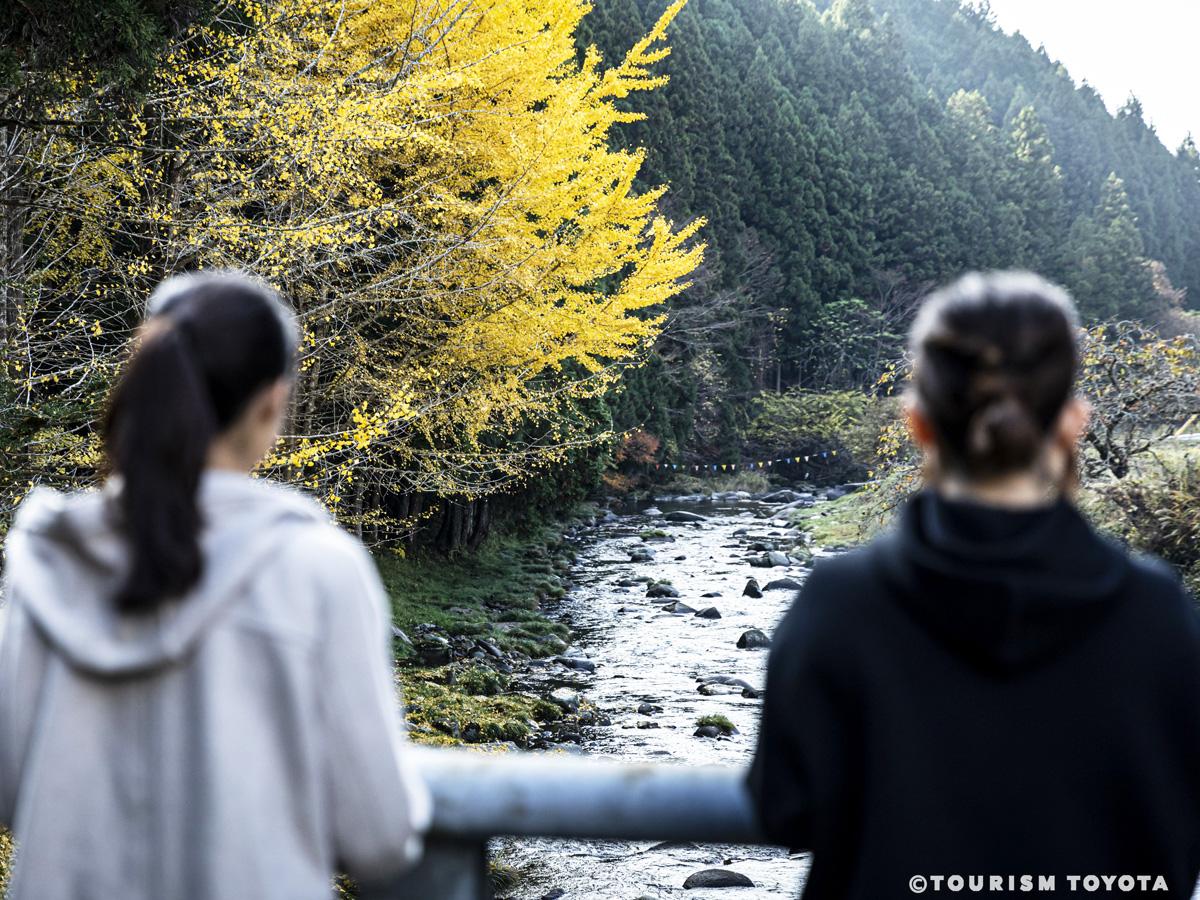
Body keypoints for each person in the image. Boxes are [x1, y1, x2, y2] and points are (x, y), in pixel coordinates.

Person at [747, 272, 1200, 899]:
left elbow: (785, 809)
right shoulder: (1158, 614)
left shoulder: (841, 604)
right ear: (1072, 423)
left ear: (918, 424)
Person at [0, 272, 431, 900]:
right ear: (270, 402)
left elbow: (12, 790)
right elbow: (378, 835)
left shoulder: (48, 559)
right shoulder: (318, 568)